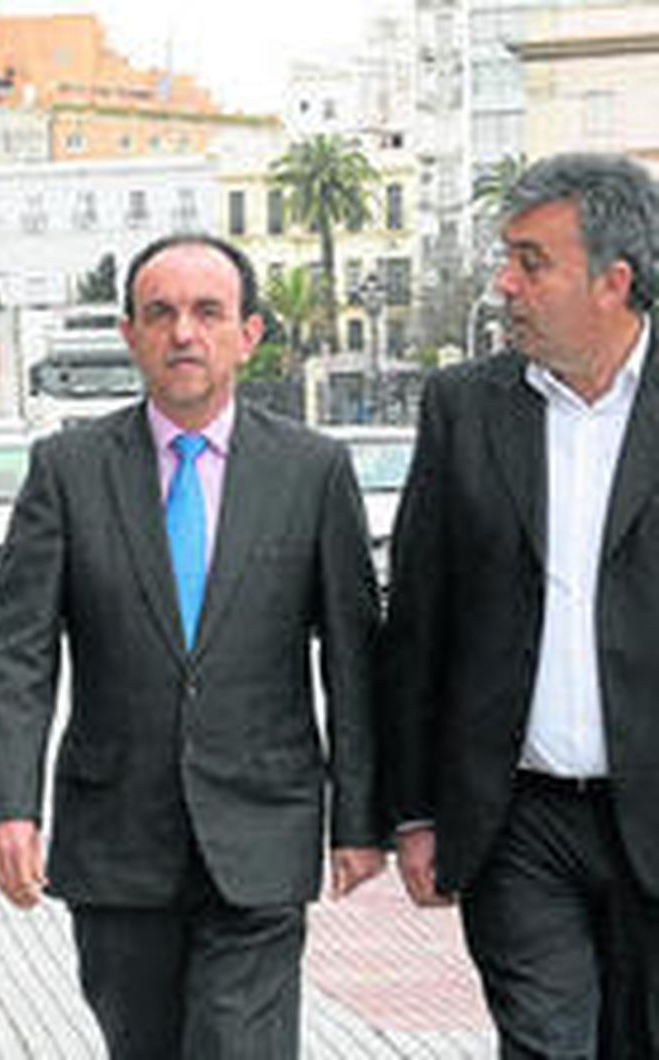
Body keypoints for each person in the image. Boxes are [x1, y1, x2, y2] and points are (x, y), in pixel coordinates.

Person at [0, 233, 385, 1057]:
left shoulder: (312, 471)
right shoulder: (67, 470)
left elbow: (352, 656)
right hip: (118, 836)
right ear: (130, 334)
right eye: (160, 314)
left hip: (263, 830)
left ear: (250, 334)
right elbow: (19, 653)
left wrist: (360, 816)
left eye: (208, 312)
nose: (184, 334)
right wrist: (9, 805)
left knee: (241, 1044)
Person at [380, 152, 659, 1058]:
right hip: (516, 823)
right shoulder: (464, 409)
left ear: (615, 280)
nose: (505, 283)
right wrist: (412, 808)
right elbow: (419, 621)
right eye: (507, 257)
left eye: (531, 262)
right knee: (547, 1044)